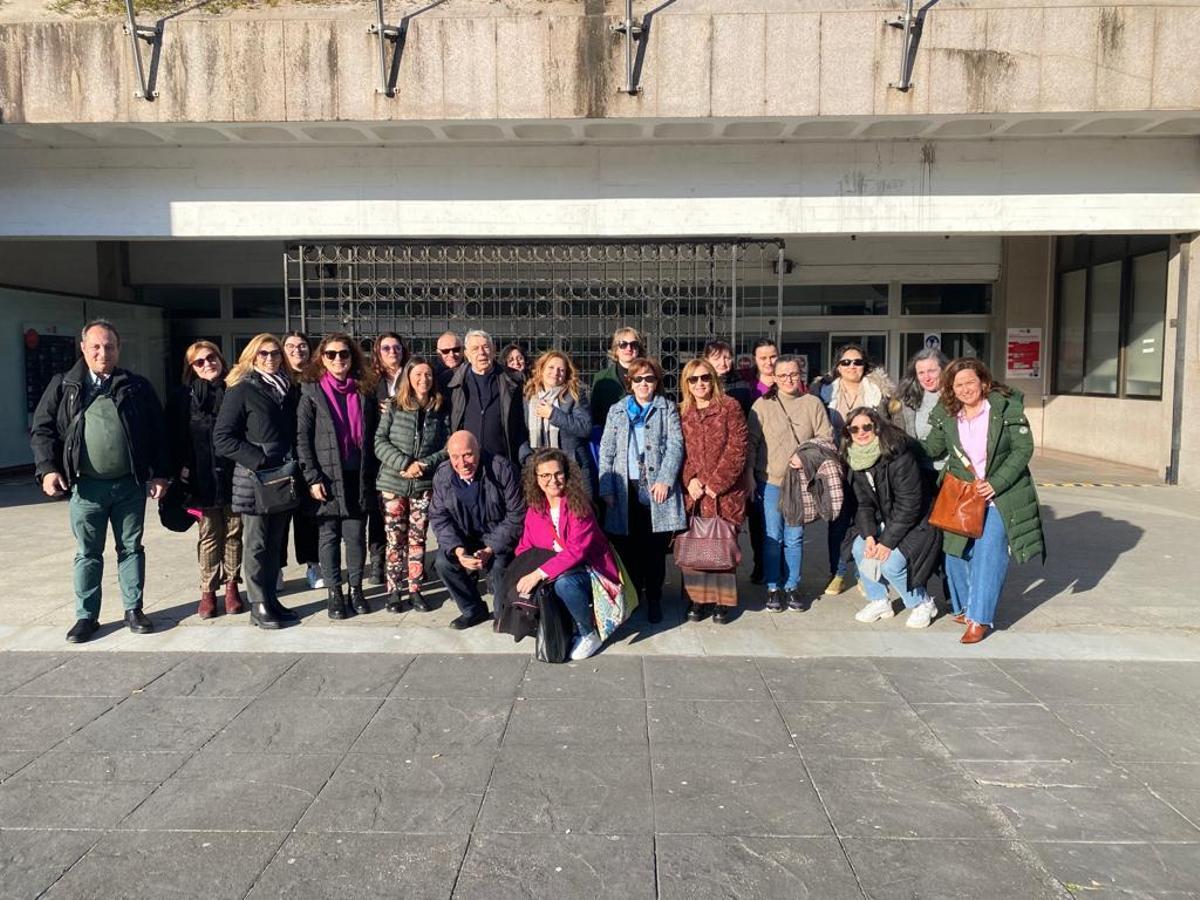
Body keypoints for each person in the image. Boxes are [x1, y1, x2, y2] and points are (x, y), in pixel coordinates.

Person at [30, 319, 170, 643]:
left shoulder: (136, 387)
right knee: (87, 553)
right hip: (86, 488)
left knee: (131, 548)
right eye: (95, 346)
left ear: (118, 349)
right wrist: (48, 469)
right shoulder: (65, 385)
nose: (102, 352)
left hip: (129, 486)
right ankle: (86, 617)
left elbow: (159, 433)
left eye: (109, 346)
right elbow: (43, 430)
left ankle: (133, 609)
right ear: (83, 348)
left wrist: (161, 473)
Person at [922, 358, 1045, 644]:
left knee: (988, 554)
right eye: (958, 384)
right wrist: (895, 441)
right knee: (955, 555)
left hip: (1000, 495)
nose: (965, 389)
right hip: (962, 496)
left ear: (983, 382)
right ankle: (968, 606)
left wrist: (997, 483)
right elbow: (933, 448)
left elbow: (1023, 448)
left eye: (970, 382)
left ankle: (979, 618)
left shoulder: (1005, 408)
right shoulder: (948, 414)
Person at [213, 333, 300, 630]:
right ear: (252, 356)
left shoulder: (288, 389)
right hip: (254, 479)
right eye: (263, 354)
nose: (270, 358)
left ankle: (272, 600)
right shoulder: (241, 390)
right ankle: (258, 604)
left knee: (276, 542)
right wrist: (259, 459)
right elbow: (223, 438)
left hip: (282, 477)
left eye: (275, 353)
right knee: (256, 543)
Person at [296, 333, 380, 620]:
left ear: (352, 356)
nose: (337, 359)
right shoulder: (311, 391)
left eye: (343, 354)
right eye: (330, 354)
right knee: (328, 536)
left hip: (358, 473)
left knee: (356, 536)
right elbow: (303, 439)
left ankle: (356, 589)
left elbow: (374, 434)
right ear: (322, 358)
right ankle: (335, 592)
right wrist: (312, 477)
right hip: (326, 476)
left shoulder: (365, 390)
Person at [597, 357, 685, 624]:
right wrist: (606, 487)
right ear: (630, 382)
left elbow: (675, 445)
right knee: (628, 548)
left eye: (649, 378)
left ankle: (655, 597)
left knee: (655, 550)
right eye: (638, 379)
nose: (644, 383)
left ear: (656, 382)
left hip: (655, 489)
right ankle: (636, 596)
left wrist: (666, 479)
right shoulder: (618, 410)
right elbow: (607, 450)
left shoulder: (666, 408)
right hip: (625, 490)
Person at [514, 448, 622, 660]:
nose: (552, 480)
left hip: (591, 571)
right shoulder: (535, 508)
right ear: (536, 479)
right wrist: (524, 571)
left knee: (565, 584)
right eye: (545, 475)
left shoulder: (579, 505)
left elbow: (576, 551)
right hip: (556, 569)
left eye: (558, 473)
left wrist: (538, 573)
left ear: (567, 474)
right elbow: (524, 546)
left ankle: (588, 633)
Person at [746, 355, 832, 612]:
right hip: (769, 481)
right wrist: (749, 475)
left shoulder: (812, 403)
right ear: (773, 377)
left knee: (794, 537)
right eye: (782, 375)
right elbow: (751, 443)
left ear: (801, 374)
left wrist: (805, 458)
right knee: (773, 537)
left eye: (793, 374)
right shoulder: (761, 405)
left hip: (800, 482)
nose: (788, 380)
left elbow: (826, 439)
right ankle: (773, 587)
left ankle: (792, 585)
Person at [815, 343, 900, 597]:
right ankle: (838, 572)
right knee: (839, 521)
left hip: (871, 465)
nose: (852, 367)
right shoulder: (823, 392)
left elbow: (891, 428)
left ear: (866, 365)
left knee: (868, 520)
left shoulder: (879, 393)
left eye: (857, 362)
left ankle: (864, 574)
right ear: (837, 366)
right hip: (838, 464)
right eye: (846, 362)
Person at [843, 407, 940, 628]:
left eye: (867, 426)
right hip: (886, 520)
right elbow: (863, 504)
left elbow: (910, 505)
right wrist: (869, 536)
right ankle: (879, 600)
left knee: (890, 564)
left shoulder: (898, 454)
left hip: (919, 522)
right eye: (854, 428)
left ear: (876, 427)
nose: (861, 432)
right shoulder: (855, 459)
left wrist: (886, 542)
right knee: (859, 548)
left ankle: (922, 602)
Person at [166, 340, 243, 620]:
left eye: (211, 358)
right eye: (199, 362)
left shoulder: (235, 391)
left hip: (234, 473)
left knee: (234, 531)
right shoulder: (183, 397)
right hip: (200, 476)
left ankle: (232, 585)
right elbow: (174, 436)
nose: (207, 364)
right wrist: (179, 469)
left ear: (221, 359)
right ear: (191, 368)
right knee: (210, 534)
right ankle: (208, 591)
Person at [429, 431, 526, 630]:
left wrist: (490, 548)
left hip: (496, 535)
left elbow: (517, 515)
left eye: (467, 455)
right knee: (443, 562)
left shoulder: (502, 469)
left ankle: (503, 612)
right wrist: (458, 550)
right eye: (455, 457)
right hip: (464, 537)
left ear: (479, 451)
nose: (462, 463)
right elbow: (439, 517)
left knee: (499, 566)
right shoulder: (443, 475)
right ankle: (472, 609)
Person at [374, 358, 449, 614]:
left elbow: (446, 446)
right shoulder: (395, 406)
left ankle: (415, 589)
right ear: (408, 377)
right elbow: (379, 442)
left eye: (428, 374)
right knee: (395, 540)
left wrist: (424, 464)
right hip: (394, 483)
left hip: (423, 484)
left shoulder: (439, 407)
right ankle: (394, 591)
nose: (423, 379)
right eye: (418, 374)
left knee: (417, 540)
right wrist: (405, 463)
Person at [678, 357, 748, 624]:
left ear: (713, 379)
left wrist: (716, 484)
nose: (699, 384)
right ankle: (698, 598)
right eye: (693, 379)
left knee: (722, 547)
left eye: (704, 377)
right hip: (695, 493)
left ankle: (722, 601)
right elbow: (679, 451)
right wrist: (690, 479)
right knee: (697, 547)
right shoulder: (683, 411)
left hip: (724, 493)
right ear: (686, 383)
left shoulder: (730, 407)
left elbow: (738, 448)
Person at [517, 350, 595, 496]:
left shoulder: (575, 395)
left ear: (566, 374)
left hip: (571, 469)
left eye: (561, 369)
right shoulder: (528, 397)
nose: (556, 372)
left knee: (579, 515)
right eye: (551, 367)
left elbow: (584, 428)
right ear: (541, 369)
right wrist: (529, 459)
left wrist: (553, 414)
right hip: (539, 471)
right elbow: (519, 432)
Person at [366, 332, 410, 586]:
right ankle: (379, 560)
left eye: (396, 347)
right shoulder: (371, 381)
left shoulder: (411, 375)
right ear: (378, 353)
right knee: (378, 513)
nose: (392, 352)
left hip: (406, 453)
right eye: (386, 348)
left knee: (406, 513)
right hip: (379, 456)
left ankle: (406, 563)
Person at [280, 330, 322, 590]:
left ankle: (313, 565)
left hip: (312, 456)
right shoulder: (276, 380)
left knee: (310, 516)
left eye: (303, 346)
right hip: (281, 458)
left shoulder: (317, 379)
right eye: (291, 346)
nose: (297, 351)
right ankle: (277, 569)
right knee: (280, 517)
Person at [446, 329, 525, 463]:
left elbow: (521, 425)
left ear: (493, 350)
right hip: (465, 462)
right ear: (467, 354)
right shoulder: (452, 382)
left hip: (502, 460)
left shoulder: (513, 380)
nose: (481, 353)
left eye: (486, 347)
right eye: (475, 349)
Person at [744, 336, 781, 584]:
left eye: (773, 356)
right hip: (757, 466)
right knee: (759, 522)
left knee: (785, 524)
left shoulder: (792, 385)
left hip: (784, 467)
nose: (769, 362)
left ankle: (780, 569)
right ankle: (761, 565)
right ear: (755, 360)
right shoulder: (748, 391)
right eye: (763, 358)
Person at [590, 326, 644, 423]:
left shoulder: (649, 375)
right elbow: (595, 413)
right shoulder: (601, 377)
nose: (629, 348)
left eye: (634, 344)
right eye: (623, 344)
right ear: (616, 349)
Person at [704, 339, 753, 415]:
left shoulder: (743, 385)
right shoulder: (701, 384)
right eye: (716, 359)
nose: (723, 363)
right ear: (707, 360)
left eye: (727, 358)